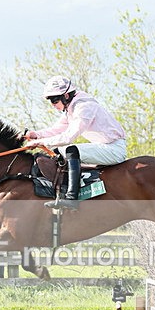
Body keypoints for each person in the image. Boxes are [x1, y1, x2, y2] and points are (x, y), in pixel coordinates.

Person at [24, 76, 126, 210]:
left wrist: (39, 142)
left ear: (66, 95)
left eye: (55, 100)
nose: (53, 105)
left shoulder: (84, 107)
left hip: (114, 149)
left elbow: (67, 137)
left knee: (71, 150)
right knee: (57, 152)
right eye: (51, 101)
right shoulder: (71, 107)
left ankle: (71, 198)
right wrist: (36, 135)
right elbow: (57, 129)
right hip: (104, 146)